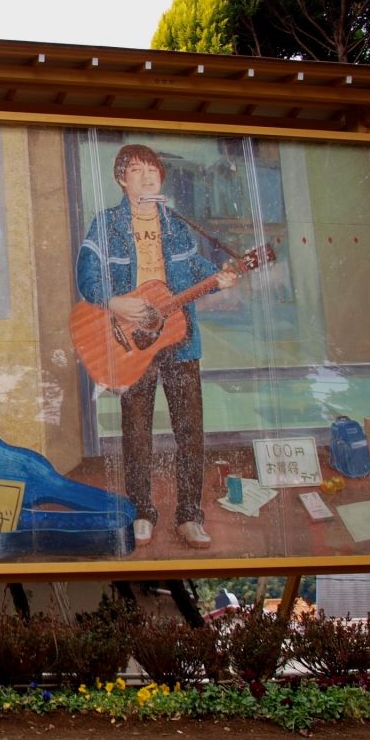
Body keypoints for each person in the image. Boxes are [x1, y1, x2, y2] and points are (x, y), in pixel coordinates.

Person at [75, 144, 238, 551]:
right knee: (136, 430)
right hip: (129, 340)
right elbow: (87, 272)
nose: (147, 177)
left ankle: (189, 515)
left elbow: (195, 268)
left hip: (178, 336)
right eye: (137, 170)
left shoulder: (177, 225)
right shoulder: (107, 223)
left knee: (190, 431)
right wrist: (111, 301)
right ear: (121, 179)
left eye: (153, 170)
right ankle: (141, 511)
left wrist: (219, 276)